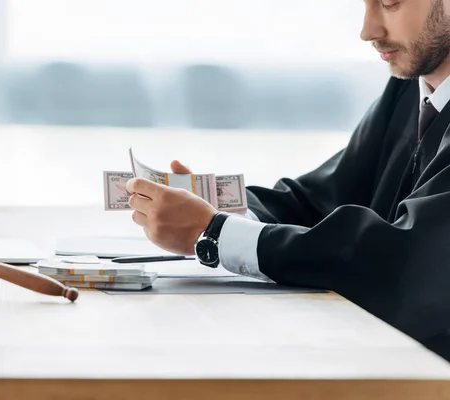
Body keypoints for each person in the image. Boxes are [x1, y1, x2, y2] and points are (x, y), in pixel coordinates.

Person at [126, 0, 450, 361]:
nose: (367, 30)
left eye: (389, 3)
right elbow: (320, 202)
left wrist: (213, 232)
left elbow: (406, 267)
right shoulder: (411, 91)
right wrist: (217, 208)